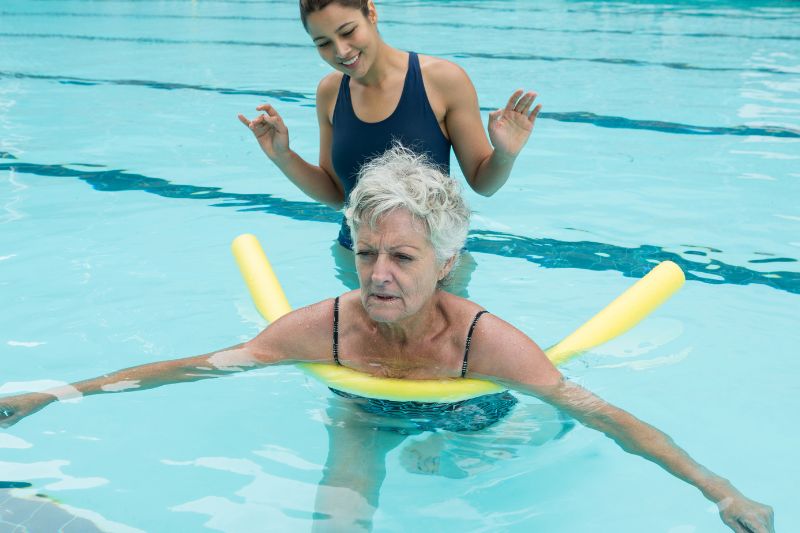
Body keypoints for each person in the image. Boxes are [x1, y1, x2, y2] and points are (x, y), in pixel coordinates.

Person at [1, 147, 774, 533]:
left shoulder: (489, 344)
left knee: (470, 465)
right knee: (339, 503)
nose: (378, 274)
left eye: (402, 257)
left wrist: (720, 490)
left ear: (446, 263)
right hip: (363, 405)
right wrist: (57, 390)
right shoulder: (324, 326)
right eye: (367, 253)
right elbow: (198, 367)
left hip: (477, 411)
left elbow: (607, 415)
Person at [238, 0, 541, 256]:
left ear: (371, 12)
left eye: (348, 31)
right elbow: (335, 194)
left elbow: (483, 183)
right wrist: (282, 156)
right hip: (356, 255)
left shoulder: (443, 81)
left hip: (431, 262)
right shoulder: (330, 92)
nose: (341, 51)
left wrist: (504, 154)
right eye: (324, 43)